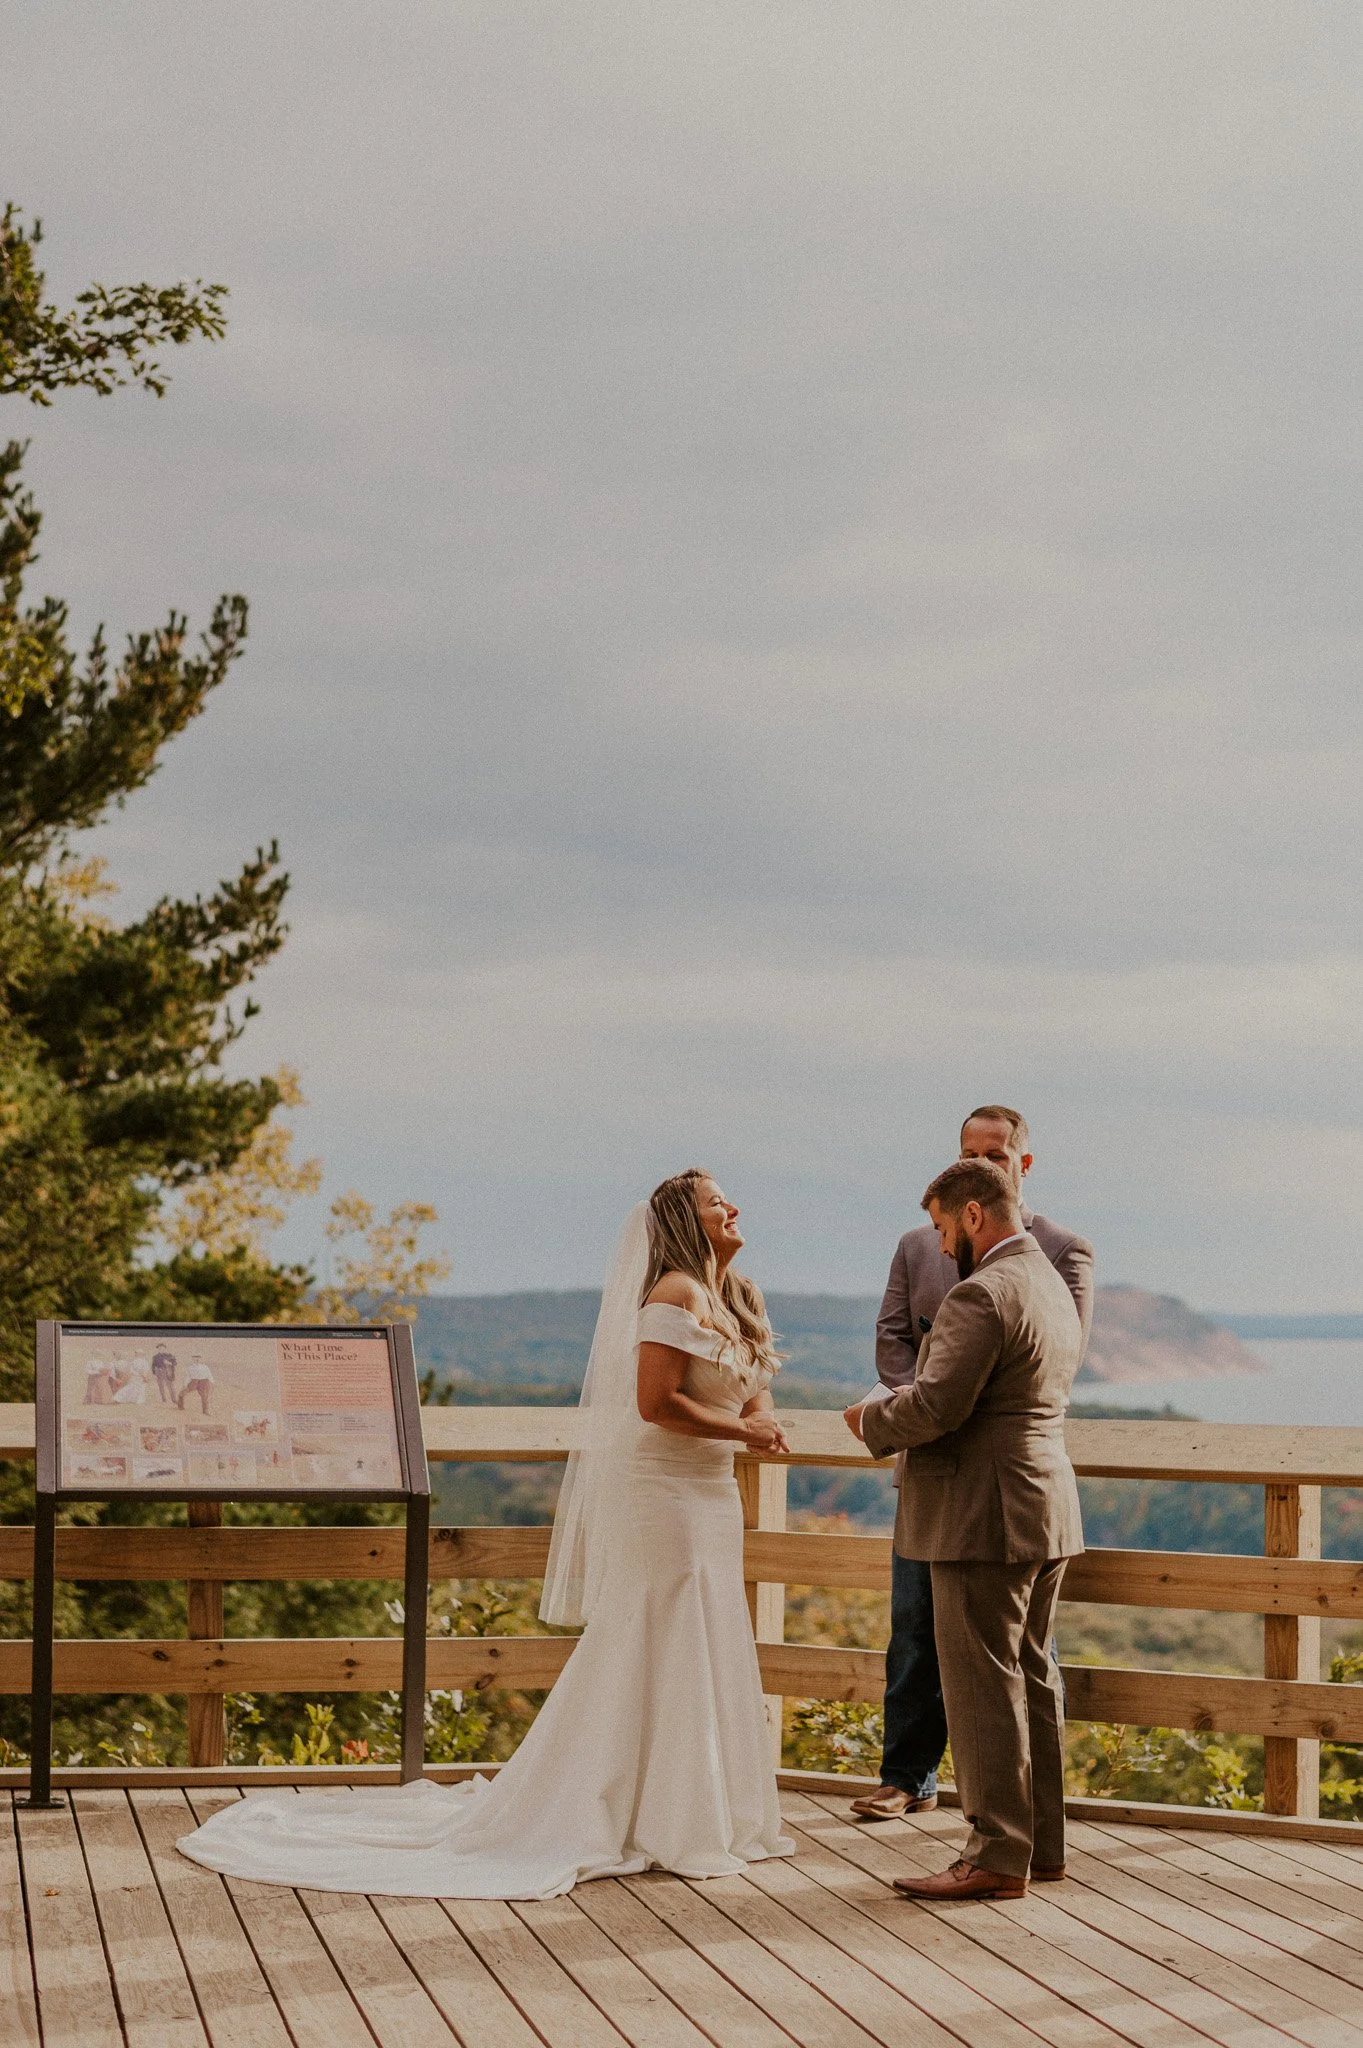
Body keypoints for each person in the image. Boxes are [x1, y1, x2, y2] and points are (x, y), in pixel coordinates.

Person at [177, 1169, 796, 1898]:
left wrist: (758, 1422)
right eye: (714, 1201)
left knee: (709, 1626)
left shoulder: (735, 1296)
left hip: (713, 1492)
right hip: (663, 1491)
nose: (730, 1207)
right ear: (682, 1221)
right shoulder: (672, 1294)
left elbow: (754, 1392)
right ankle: (648, 1810)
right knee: (661, 1628)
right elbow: (656, 1403)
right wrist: (744, 1429)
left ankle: (705, 1807)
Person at [845, 1157, 1086, 1899]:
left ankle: (992, 1857)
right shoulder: (1046, 1283)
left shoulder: (982, 1293)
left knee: (981, 1687)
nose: (942, 1243)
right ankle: (1040, 1847)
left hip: (981, 1514)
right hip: (1043, 1506)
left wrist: (867, 1420)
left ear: (974, 1214)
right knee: (1031, 1680)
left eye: (945, 1226)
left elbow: (934, 1407)